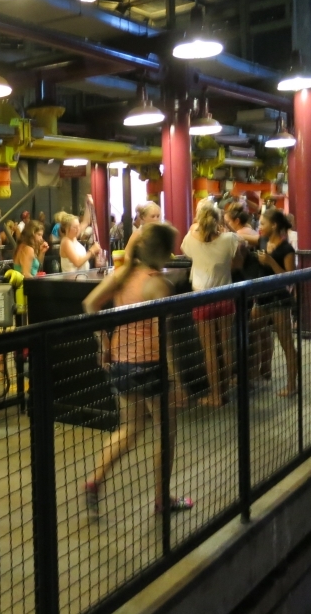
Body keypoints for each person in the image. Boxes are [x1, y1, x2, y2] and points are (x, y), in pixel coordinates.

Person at [82, 222, 194, 518]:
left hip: (120, 362)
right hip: (150, 365)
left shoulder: (123, 275)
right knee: (165, 432)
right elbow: (165, 338)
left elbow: (90, 303)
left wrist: (103, 342)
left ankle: (95, 480)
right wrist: (176, 378)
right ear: (165, 251)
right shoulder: (159, 284)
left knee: (129, 428)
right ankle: (162, 499)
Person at [181, 202, 241, 407]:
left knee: (209, 350)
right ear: (219, 219)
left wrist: (196, 227)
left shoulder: (190, 239)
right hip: (225, 296)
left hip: (201, 298)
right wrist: (227, 227)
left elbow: (187, 251)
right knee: (225, 345)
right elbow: (241, 253)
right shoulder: (229, 239)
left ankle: (216, 395)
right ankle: (227, 388)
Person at [252, 209, 299, 397]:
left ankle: (292, 385)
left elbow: (289, 277)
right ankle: (260, 370)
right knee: (251, 330)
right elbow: (244, 238)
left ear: (274, 226)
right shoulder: (262, 241)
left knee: (286, 342)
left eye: (263, 224)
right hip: (261, 298)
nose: (260, 227)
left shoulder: (287, 249)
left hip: (279, 301)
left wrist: (270, 261)